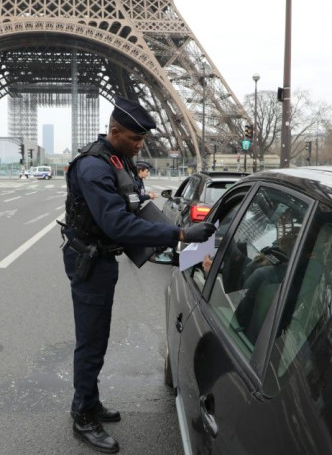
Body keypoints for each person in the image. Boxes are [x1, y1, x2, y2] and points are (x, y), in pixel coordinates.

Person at [61, 95, 216, 453]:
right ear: (114, 131)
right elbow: (117, 222)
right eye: (134, 138)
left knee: (96, 337)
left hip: (102, 257)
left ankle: (89, 401)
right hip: (90, 260)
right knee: (92, 340)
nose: (140, 145)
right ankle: (83, 413)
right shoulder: (94, 167)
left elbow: (137, 203)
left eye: (142, 139)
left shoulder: (118, 160)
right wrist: (178, 234)